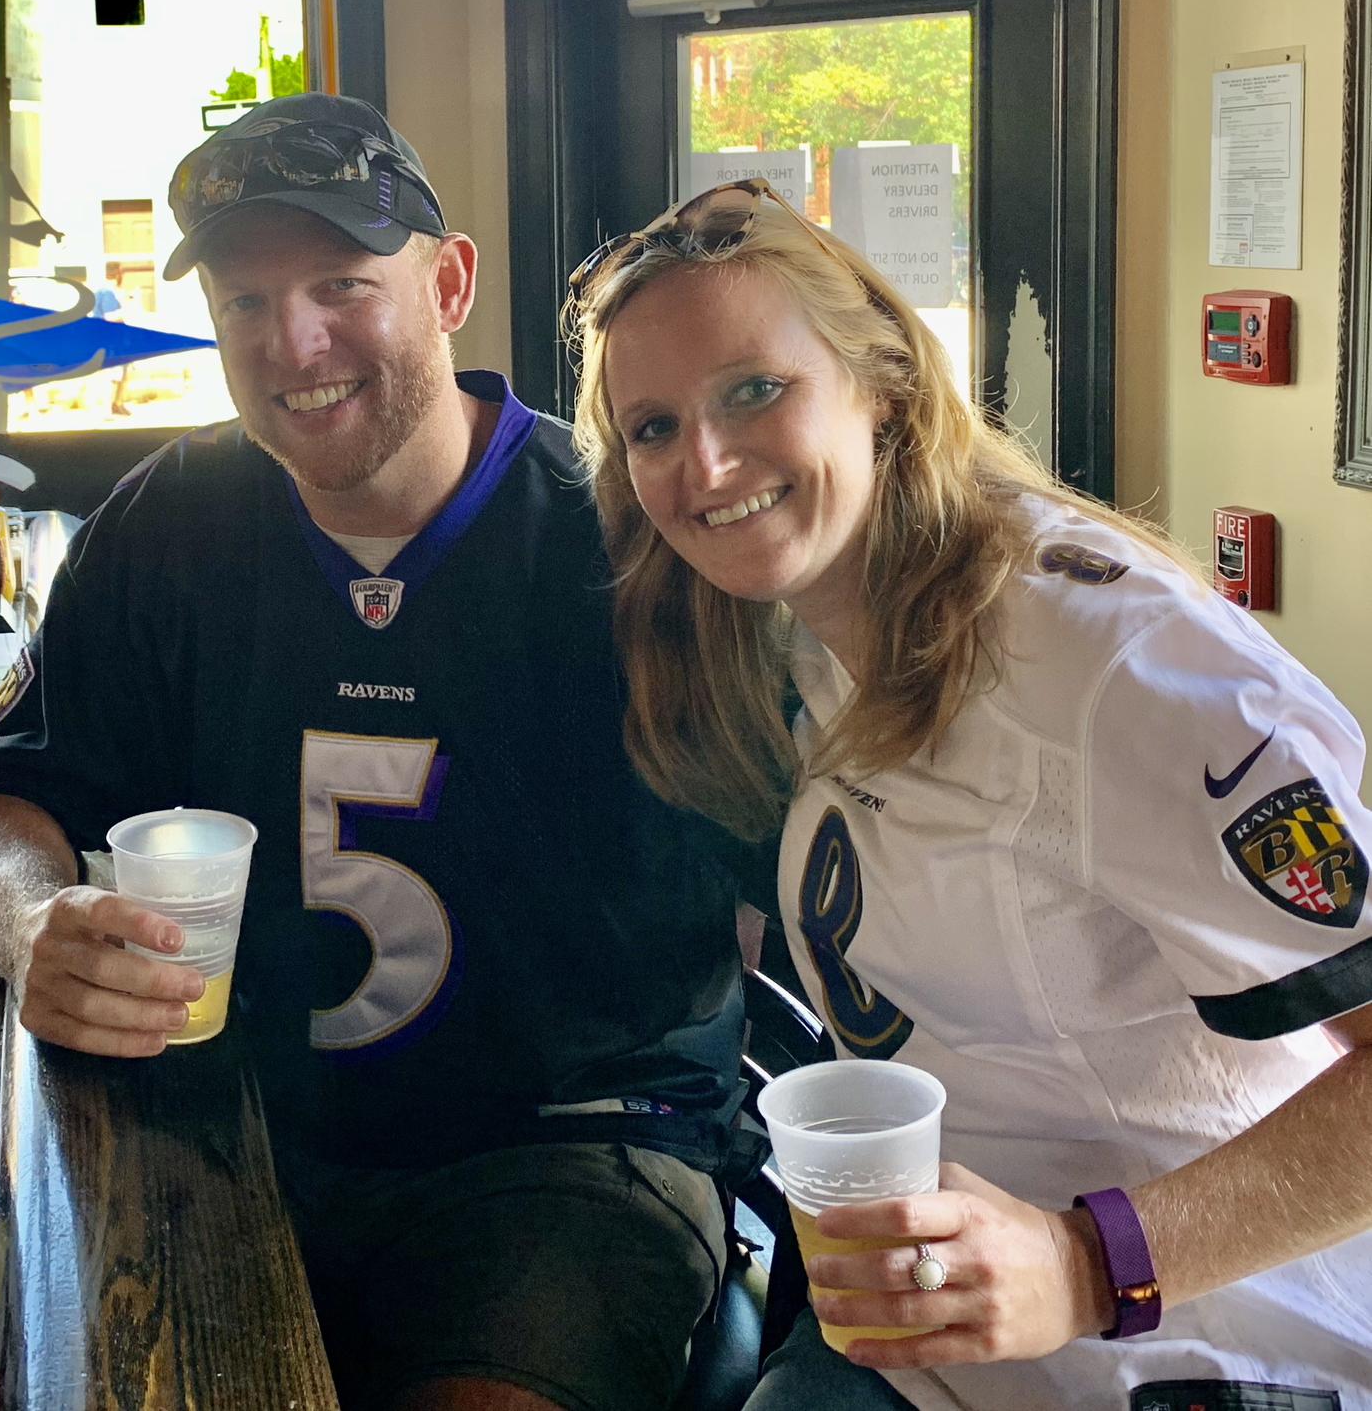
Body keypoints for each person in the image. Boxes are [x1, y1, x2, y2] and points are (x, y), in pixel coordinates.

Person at [0, 95, 758, 1411]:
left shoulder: (626, 539)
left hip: (564, 1153)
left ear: (448, 282)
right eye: (245, 302)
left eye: (337, 285)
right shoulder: (172, 519)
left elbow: (831, 859)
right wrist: (32, 924)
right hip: (238, 1122)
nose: (291, 340)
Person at [567, 178, 1372, 1411]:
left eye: (753, 388)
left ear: (882, 381)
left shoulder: (1117, 664)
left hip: (1202, 1354)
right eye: (653, 426)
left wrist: (1090, 1262)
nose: (706, 464)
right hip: (934, 1357)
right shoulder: (803, 631)